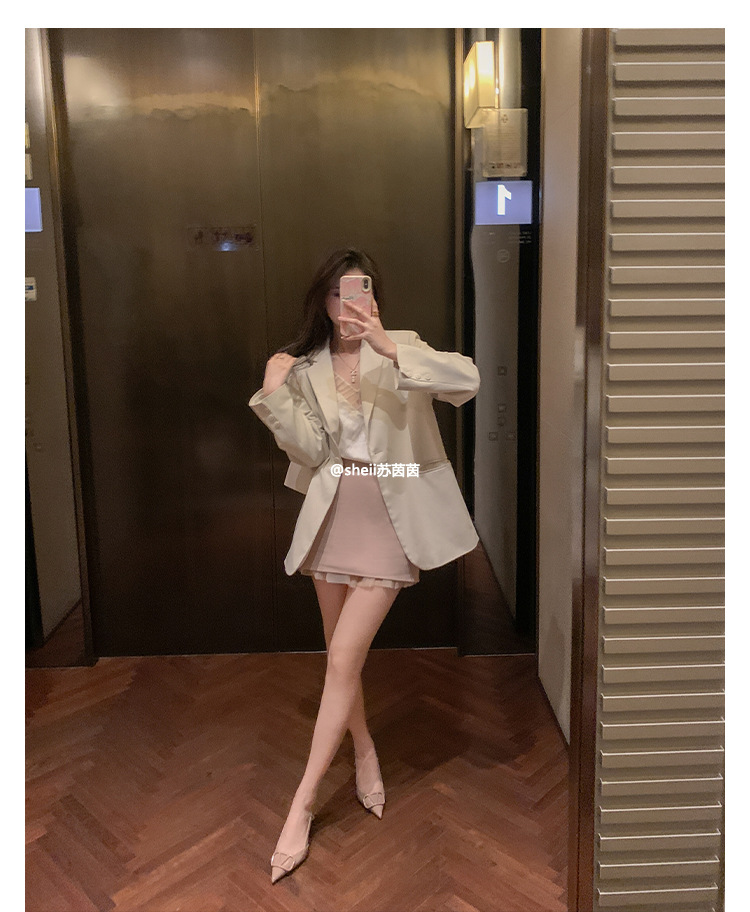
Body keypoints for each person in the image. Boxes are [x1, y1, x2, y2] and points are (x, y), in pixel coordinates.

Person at [248, 248, 480, 883]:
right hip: (334, 510)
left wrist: (387, 346)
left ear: (373, 295)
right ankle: (366, 750)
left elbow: (465, 381)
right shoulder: (307, 367)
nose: (348, 302)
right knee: (338, 656)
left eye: (358, 290)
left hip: (391, 510)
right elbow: (309, 450)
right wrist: (274, 392)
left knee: (344, 658)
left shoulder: (401, 345)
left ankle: (300, 805)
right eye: (336, 293)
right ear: (322, 303)